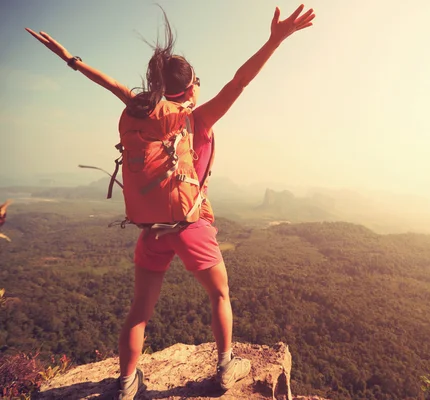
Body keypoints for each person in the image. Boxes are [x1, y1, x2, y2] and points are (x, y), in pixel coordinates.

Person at [26, 4, 315, 399]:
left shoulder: (139, 109)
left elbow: (107, 82)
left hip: (151, 230)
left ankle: (127, 384)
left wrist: (69, 58)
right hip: (188, 225)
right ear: (191, 86)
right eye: (197, 81)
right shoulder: (196, 120)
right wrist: (274, 40)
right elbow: (239, 81)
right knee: (219, 294)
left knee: (139, 311)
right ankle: (226, 366)